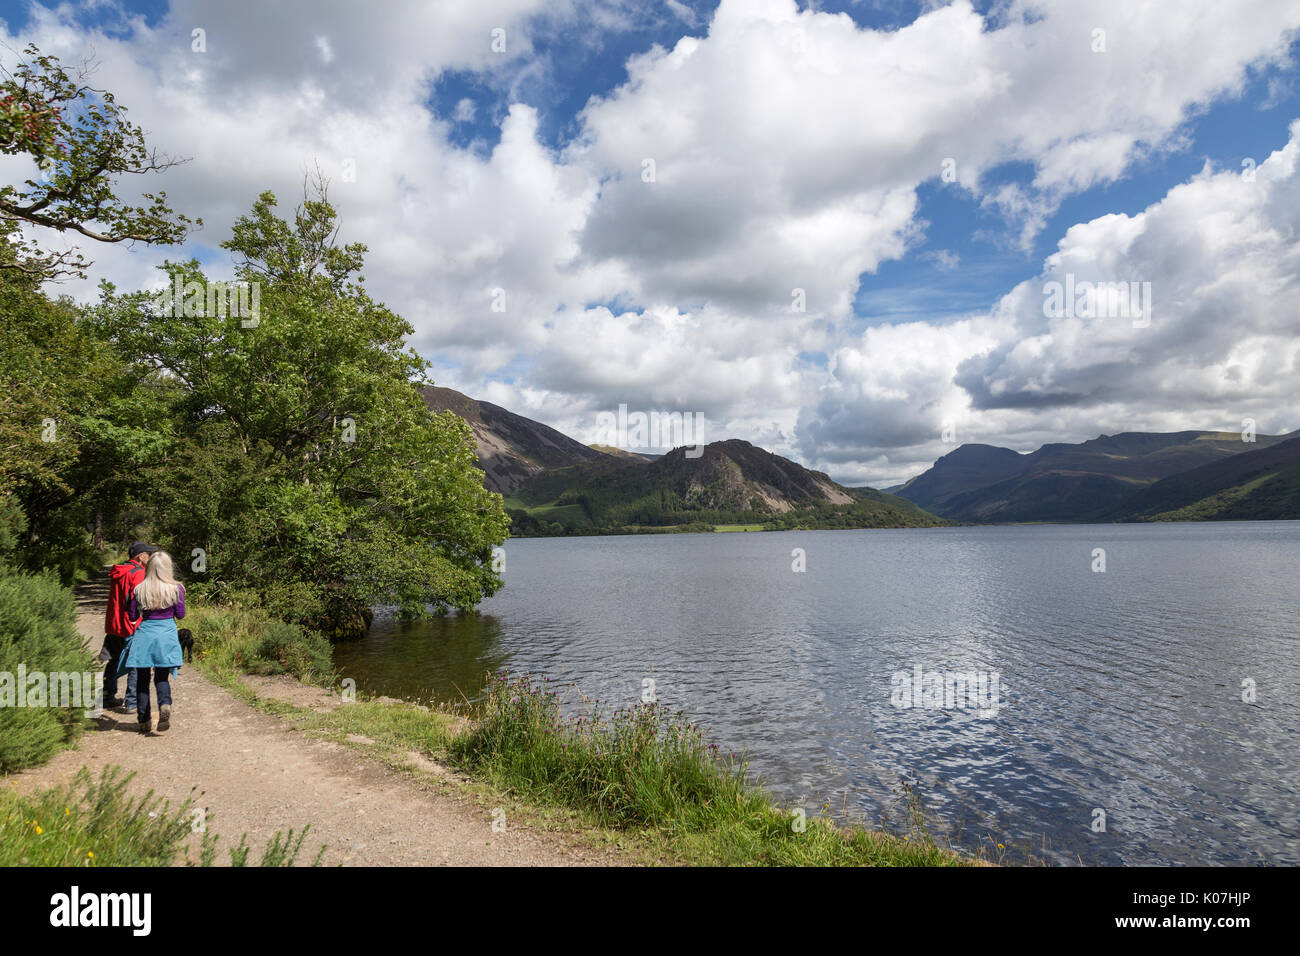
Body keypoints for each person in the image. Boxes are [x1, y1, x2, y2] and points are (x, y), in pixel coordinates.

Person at [123, 550, 185, 733]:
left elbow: (133, 615)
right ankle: (165, 704)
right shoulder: (177, 588)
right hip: (166, 634)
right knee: (161, 676)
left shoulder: (139, 589)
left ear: (149, 568)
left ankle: (144, 720)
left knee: (142, 679)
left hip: (146, 633)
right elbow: (180, 615)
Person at [102, 542, 156, 711]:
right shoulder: (138, 573)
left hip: (114, 623)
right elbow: (139, 600)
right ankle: (132, 701)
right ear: (140, 556)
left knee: (112, 660)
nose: (150, 557)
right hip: (131, 624)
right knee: (136, 662)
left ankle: (107, 696)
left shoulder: (119, 571)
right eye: (148, 554)